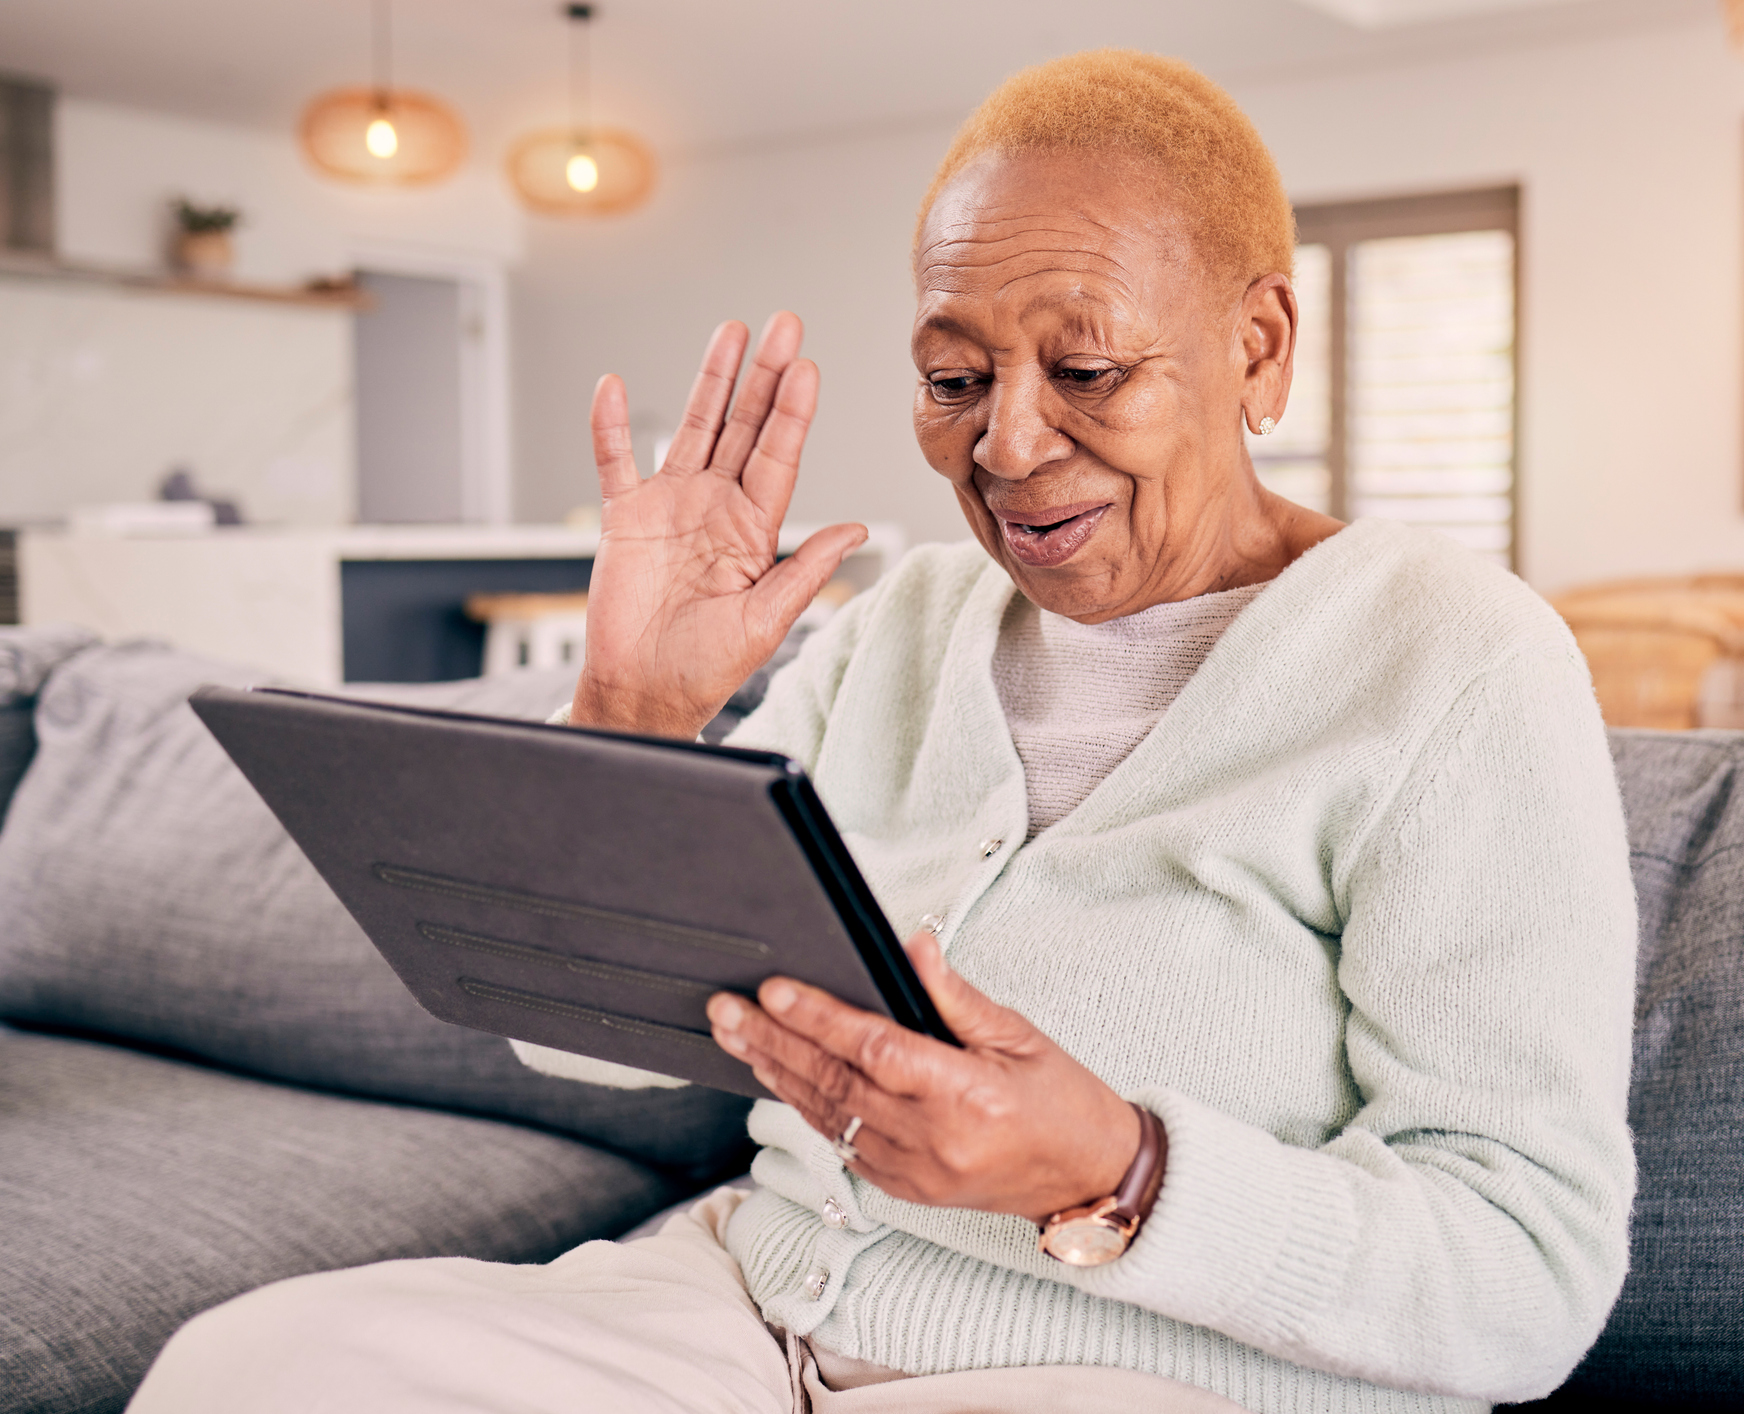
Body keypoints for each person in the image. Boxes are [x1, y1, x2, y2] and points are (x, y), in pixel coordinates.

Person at [130, 49, 1637, 1414]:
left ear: (1256, 351)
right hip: (745, 1307)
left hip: (1137, 1371)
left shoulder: (1453, 662)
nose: (1009, 443)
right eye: (954, 378)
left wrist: (1118, 1169)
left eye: (1087, 368)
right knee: (247, 1369)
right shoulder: (903, 628)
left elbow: (1527, 1274)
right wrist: (639, 717)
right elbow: (586, 1040)